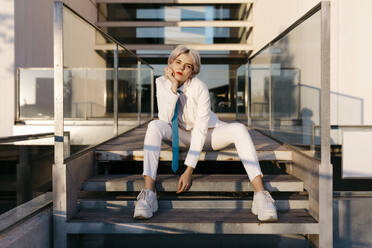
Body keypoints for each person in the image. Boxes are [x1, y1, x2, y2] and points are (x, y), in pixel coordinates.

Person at [133, 45, 277, 222]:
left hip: (208, 135)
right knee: (154, 125)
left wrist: (189, 170)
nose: (181, 68)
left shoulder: (200, 87)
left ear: (193, 72)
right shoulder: (161, 82)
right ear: (170, 63)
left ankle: (261, 194)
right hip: (180, 136)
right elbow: (165, 118)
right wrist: (173, 88)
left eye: (188, 66)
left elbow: (201, 129)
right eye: (178, 62)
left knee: (239, 129)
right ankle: (148, 193)